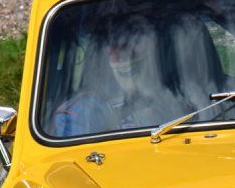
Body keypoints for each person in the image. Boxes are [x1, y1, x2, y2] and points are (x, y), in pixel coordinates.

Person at [49, 12, 195, 137]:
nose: (121, 54)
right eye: (111, 43)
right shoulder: (78, 113)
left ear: (156, 47)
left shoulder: (186, 99)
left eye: (133, 39)